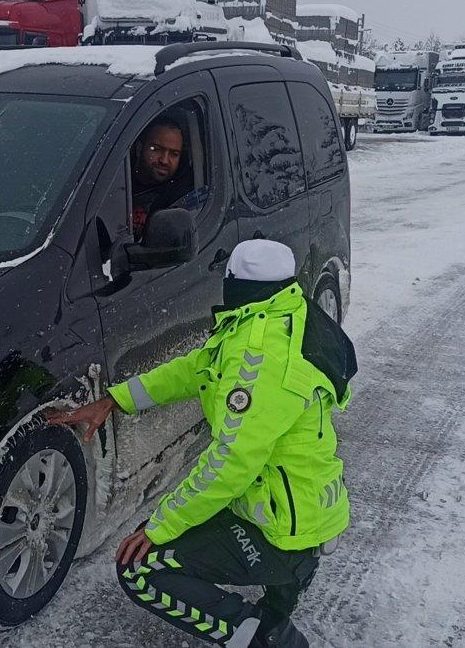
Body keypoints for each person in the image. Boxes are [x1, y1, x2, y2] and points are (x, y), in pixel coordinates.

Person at [48, 239, 357, 647]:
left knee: (142, 567)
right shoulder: (281, 313)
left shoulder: (260, 355)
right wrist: (115, 399)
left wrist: (161, 526)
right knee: (177, 531)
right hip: (305, 507)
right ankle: (286, 588)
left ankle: (269, 637)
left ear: (236, 283)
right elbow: (195, 370)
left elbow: (230, 462)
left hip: (283, 528)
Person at [130, 117, 196, 238]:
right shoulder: (115, 177)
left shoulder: (182, 194)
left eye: (174, 154)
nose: (164, 160)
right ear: (139, 148)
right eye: (156, 149)